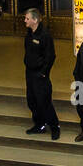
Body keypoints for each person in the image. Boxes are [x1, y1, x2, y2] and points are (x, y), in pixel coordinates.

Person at [22, 8, 60, 140]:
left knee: (44, 101)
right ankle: (39, 124)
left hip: (40, 74)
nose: (25, 21)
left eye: (27, 18)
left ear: (35, 20)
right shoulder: (29, 33)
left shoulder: (44, 35)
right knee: (31, 101)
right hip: (30, 72)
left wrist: (44, 72)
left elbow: (51, 56)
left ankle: (55, 127)